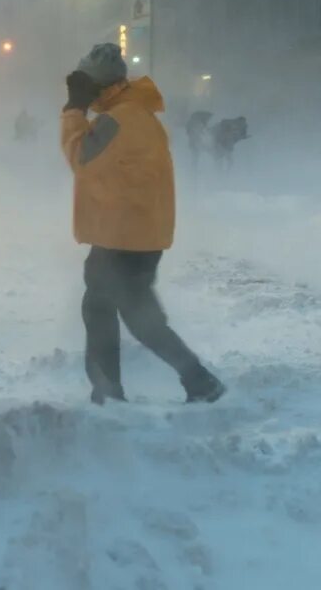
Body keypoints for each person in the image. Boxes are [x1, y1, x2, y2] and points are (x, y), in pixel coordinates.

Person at [62, 43, 225, 405]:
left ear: (96, 85)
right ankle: (195, 379)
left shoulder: (120, 119)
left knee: (107, 309)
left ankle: (111, 392)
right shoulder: (133, 112)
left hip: (123, 236)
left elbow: (81, 159)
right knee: (132, 313)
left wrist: (73, 110)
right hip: (134, 232)